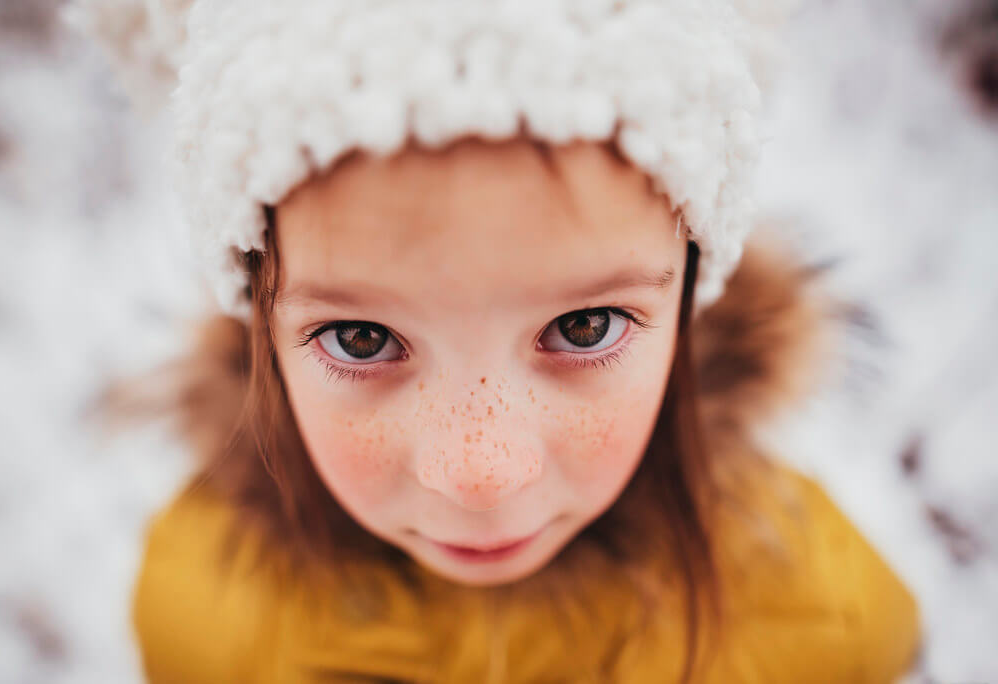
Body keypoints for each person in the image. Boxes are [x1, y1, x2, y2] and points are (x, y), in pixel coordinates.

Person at [80, 1, 922, 681]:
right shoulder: (205, 615)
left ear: (691, 294)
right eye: (362, 338)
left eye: (584, 327)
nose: (480, 475)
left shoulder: (820, 622)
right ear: (260, 314)